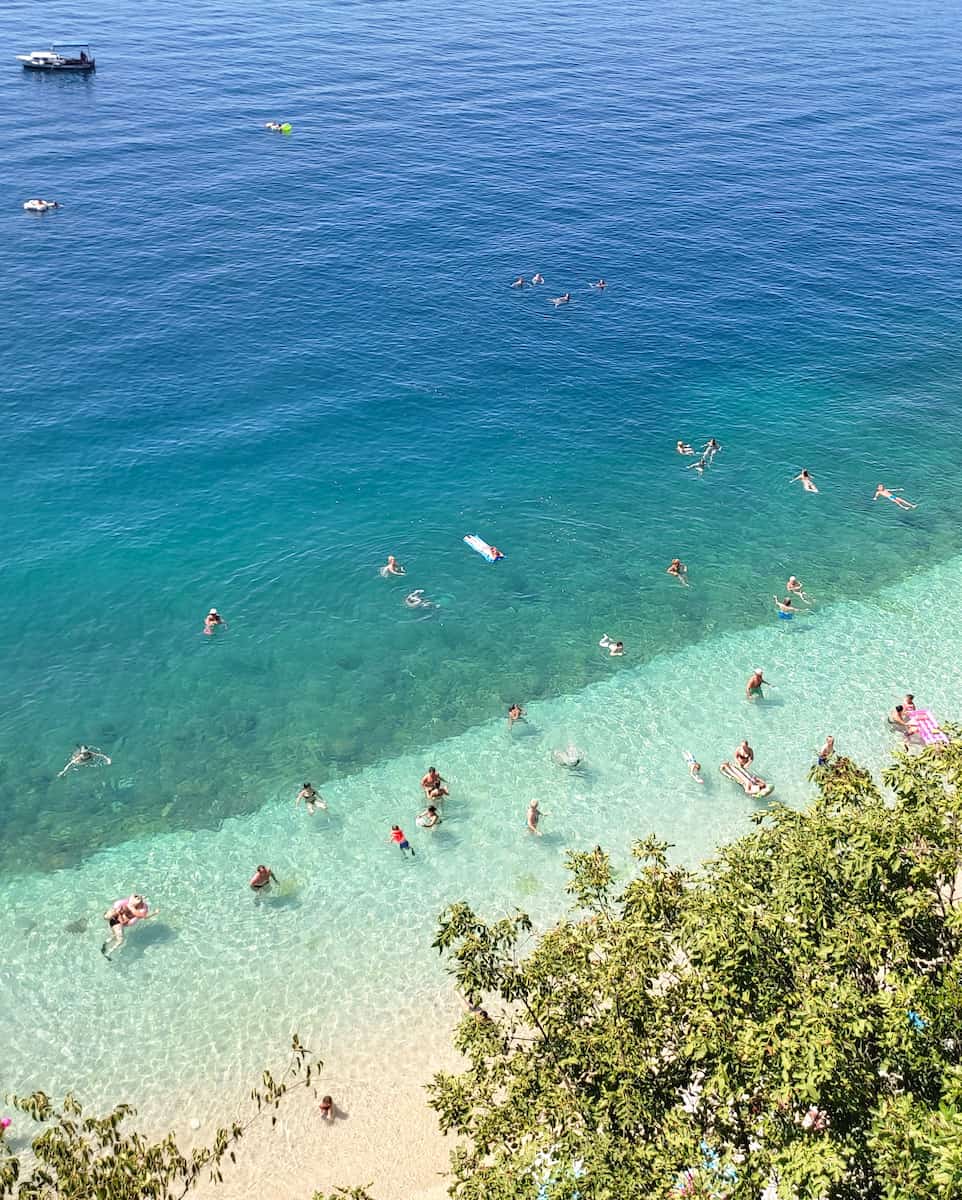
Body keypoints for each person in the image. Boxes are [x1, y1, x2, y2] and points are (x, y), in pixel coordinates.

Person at [101, 894, 156, 958]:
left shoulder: (124, 905)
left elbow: (134, 896)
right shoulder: (128, 910)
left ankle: (105, 943)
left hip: (114, 922)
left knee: (114, 935)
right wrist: (155, 913)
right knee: (120, 941)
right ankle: (109, 952)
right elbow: (143, 917)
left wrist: (140, 898)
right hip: (118, 925)